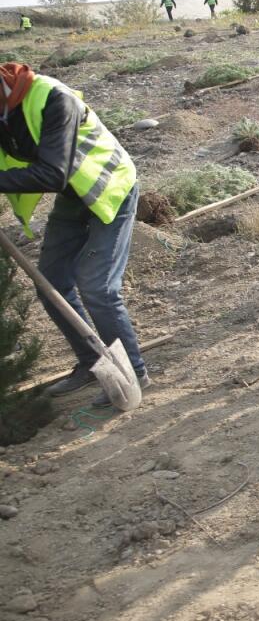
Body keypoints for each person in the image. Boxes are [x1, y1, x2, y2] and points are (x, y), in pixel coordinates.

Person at [0, 63, 149, 408]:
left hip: (110, 186)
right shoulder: (5, 111)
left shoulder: (53, 98)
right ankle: (94, 362)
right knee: (51, 282)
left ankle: (133, 372)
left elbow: (52, 173)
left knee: (98, 286)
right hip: (74, 194)